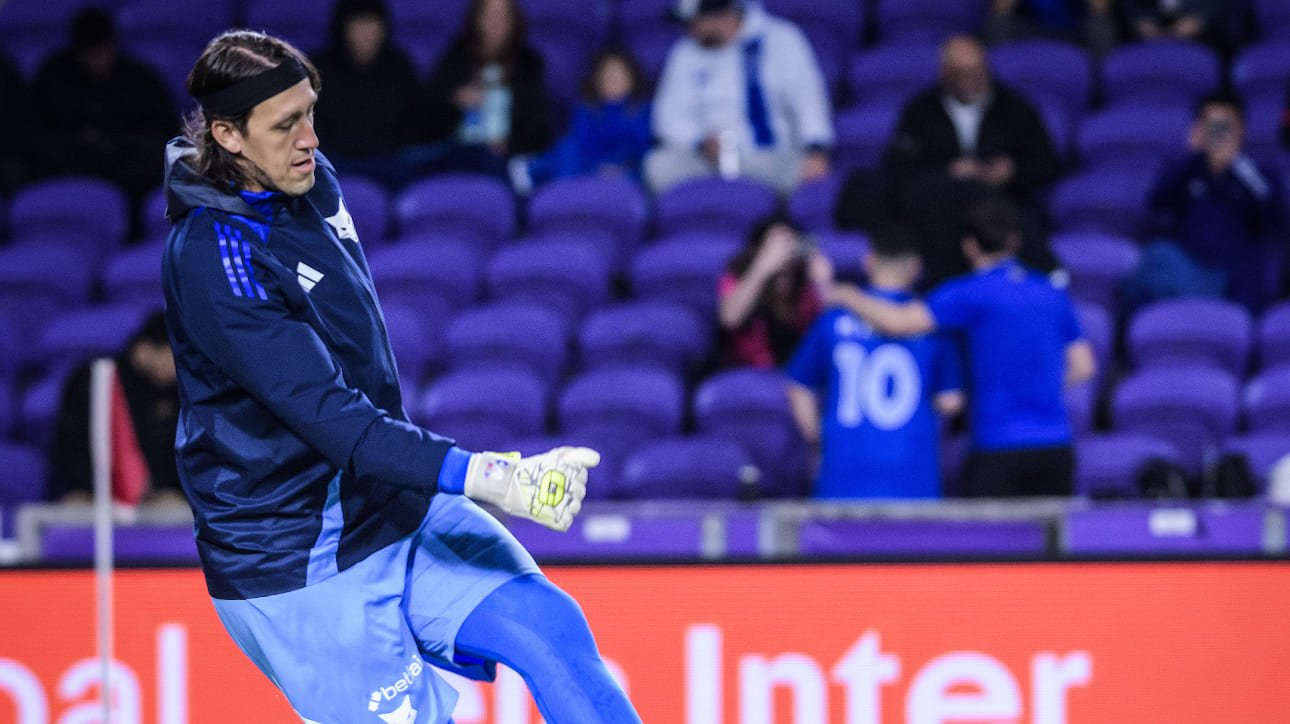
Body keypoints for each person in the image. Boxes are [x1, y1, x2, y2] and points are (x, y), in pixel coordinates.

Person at [162, 30, 639, 723]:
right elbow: (334, 418)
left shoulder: (307, 182)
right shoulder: (214, 258)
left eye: (310, 114)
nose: (310, 140)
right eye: (285, 124)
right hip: (296, 558)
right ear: (229, 137)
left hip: (387, 504)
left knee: (551, 631)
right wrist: (496, 478)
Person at [831, 196, 1096, 498]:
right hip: (1055, 447)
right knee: (1052, 544)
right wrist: (1039, 386)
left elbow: (897, 322)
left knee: (993, 545)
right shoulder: (1050, 293)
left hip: (997, 448)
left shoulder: (968, 293)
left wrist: (846, 295)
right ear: (1014, 240)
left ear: (969, 246)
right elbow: (1084, 366)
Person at [786, 225, 964, 499]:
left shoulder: (833, 320)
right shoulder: (930, 324)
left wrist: (817, 440)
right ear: (916, 267)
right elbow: (950, 401)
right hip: (912, 473)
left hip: (841, 470)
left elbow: (798, 386)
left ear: (868, 262)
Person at [878, 35, 1062, 290]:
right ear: (945, 74)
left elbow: (1048, 163)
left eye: (979, 71)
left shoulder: (1015, 108)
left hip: (1004, 209)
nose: (973, 79)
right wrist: (948, 172)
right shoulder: (920, 111)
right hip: (940, 219)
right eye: (963, 73)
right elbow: (897, 169)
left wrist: (1011, 172)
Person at [646, 0, 834, 194]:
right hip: (707, 159)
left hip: (768, 155)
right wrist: (700, 141)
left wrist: (816, 149)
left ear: (721, 15)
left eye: (695, 22)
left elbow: (806, 98)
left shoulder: (781, 38)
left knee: (802, 171)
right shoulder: (685, 52)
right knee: (658, 166)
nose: (690, 30)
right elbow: (668, 116)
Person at [1129, 92, 1283, 313]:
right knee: (1156, 258)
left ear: (1242, 129)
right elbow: (1156, 205)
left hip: (1234, 280)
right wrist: (1193, 158)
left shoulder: (1259, 176)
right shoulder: (1188, 171)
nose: (1218, 134)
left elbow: (1274, 219)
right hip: (1187, 270)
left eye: (1225, 126)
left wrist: (1233, 166)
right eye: (1211, 126)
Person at [31, 6, 176, 198]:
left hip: (130, 170)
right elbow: (38, 132)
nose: (97, 61)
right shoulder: (55, 76)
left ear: (113, 46)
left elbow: (164, 133)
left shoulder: (139, 79)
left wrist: (111, 143)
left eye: (102, 51)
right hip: (72, 164)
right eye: (90, 54)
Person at [50, 311, 181, 505]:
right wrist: (102, 485)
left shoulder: (180, 391)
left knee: (176, 508)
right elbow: (69, 445)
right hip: (91, 492)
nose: (178, 367)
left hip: (158, 495)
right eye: (173, 355)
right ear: (144, 349)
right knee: (72, 507)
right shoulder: (91, 380)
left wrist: (158, 484)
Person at [420, 0, 555, 178]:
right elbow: (425, 116)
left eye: (503, 16)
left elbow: (538, 126)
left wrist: (509, 144)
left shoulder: (529, 64)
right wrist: (454, 99)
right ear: (476, 19)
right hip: (455, 152)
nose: (496, 21)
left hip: (506, 157)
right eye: (489, 15)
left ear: (514, 21)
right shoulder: (455, 59)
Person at [308, 0, 420, 184]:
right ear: (342, 27)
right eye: (358, 23)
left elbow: (416, 120)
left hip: (390, 162)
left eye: (372, 23)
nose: (366, 33)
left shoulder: (399, 66)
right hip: (334, 161)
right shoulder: (318, 68)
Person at [513, 47, 653, 193]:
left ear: (632, 77)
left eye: (619, 72)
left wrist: (615, 164)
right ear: (596, 79)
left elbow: (639, 144)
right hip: (587, 166)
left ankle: (534, 170)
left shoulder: (643, 109)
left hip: (626, 170)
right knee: (567, 149)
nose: (612, 77)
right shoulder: (586, 107)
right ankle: (543, 179)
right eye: (606, 72)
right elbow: (582, 141)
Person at [718, 214, 833, 368]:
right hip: (746, 370)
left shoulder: (806, 282)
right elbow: (730, 319)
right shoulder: (739, 275)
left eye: (788, 246)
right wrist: (762, 268)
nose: (782, 254)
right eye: (775, 247)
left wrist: (824, 284)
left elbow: (832, 329)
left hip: (798, 370)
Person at [984, 0, 1118, 57]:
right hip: (1030, 29)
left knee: (1101, 29)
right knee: (997, 26)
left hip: (1075, 31)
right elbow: (1000, 11)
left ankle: (1098, 92)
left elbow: (1100, 10)